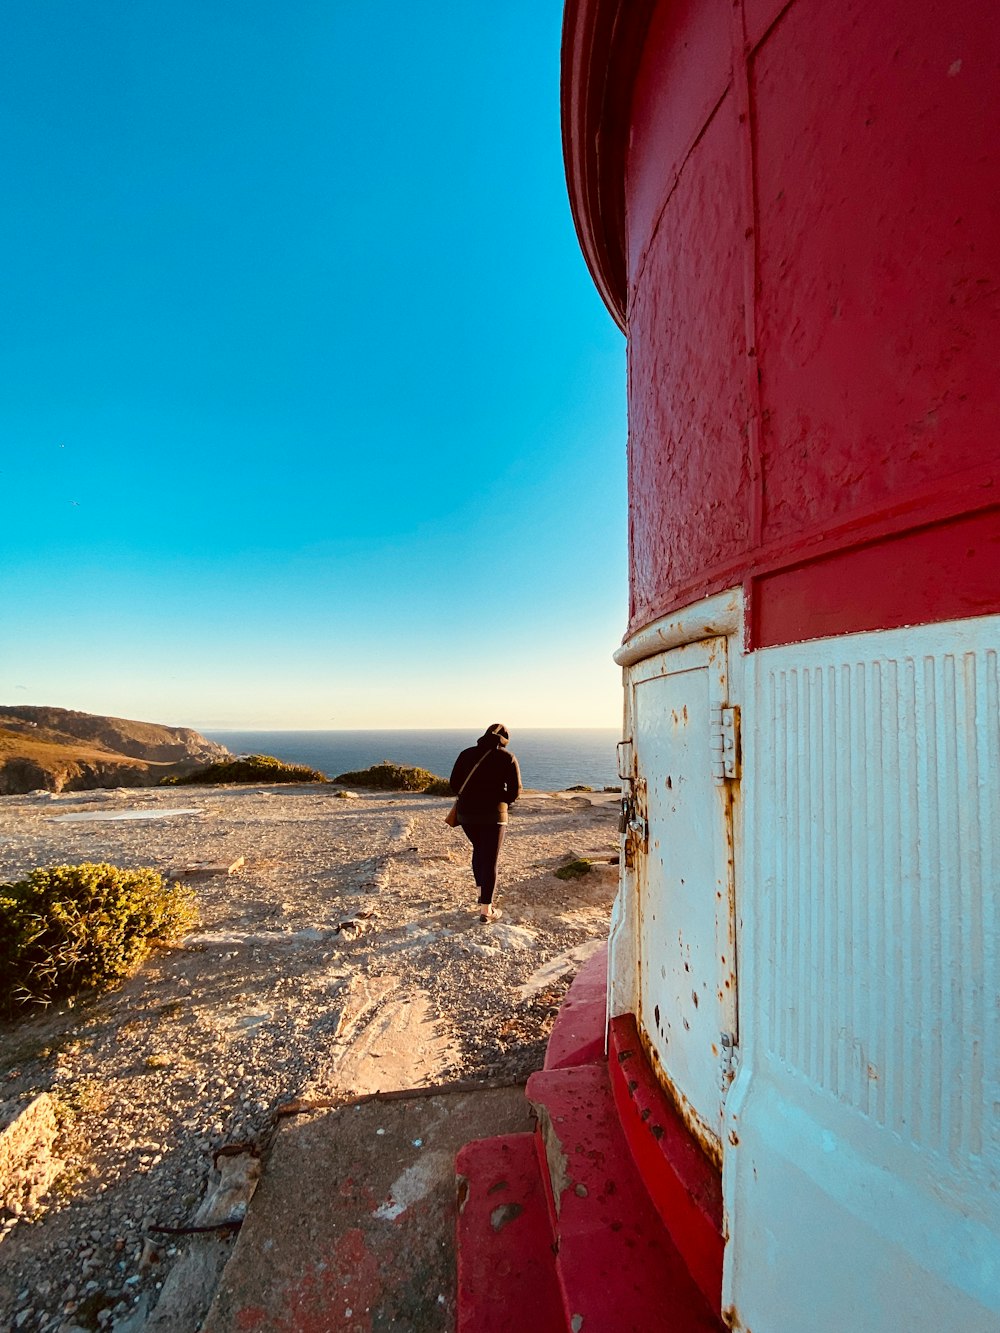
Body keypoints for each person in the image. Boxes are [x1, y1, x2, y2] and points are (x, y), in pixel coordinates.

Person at [450, 723, 522, 922]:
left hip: (466, 814)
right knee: (490, 859)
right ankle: (486, 910)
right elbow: (515, 792)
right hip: (494, 815)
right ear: (505, 740)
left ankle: (482, 894)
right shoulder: (507, 758)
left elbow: (454, 785)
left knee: (479, 850)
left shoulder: (466, 754)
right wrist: (500, 798)